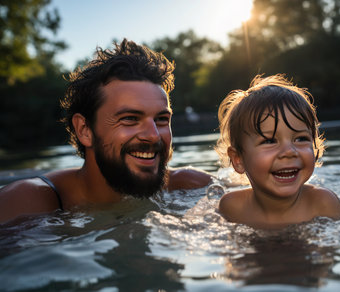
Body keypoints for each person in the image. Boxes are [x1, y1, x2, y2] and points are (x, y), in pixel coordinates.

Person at [0, 39, 211, 224]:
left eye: (161, 119)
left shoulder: (192, 187)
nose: (153, 135)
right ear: (84, 130)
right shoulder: (29, 202)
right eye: (130, 119)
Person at [215, 74, 340, 229]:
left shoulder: (322, 204)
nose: (289, 151)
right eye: (270, 141)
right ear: (238, 159)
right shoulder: (233, 208)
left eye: (300, 139)